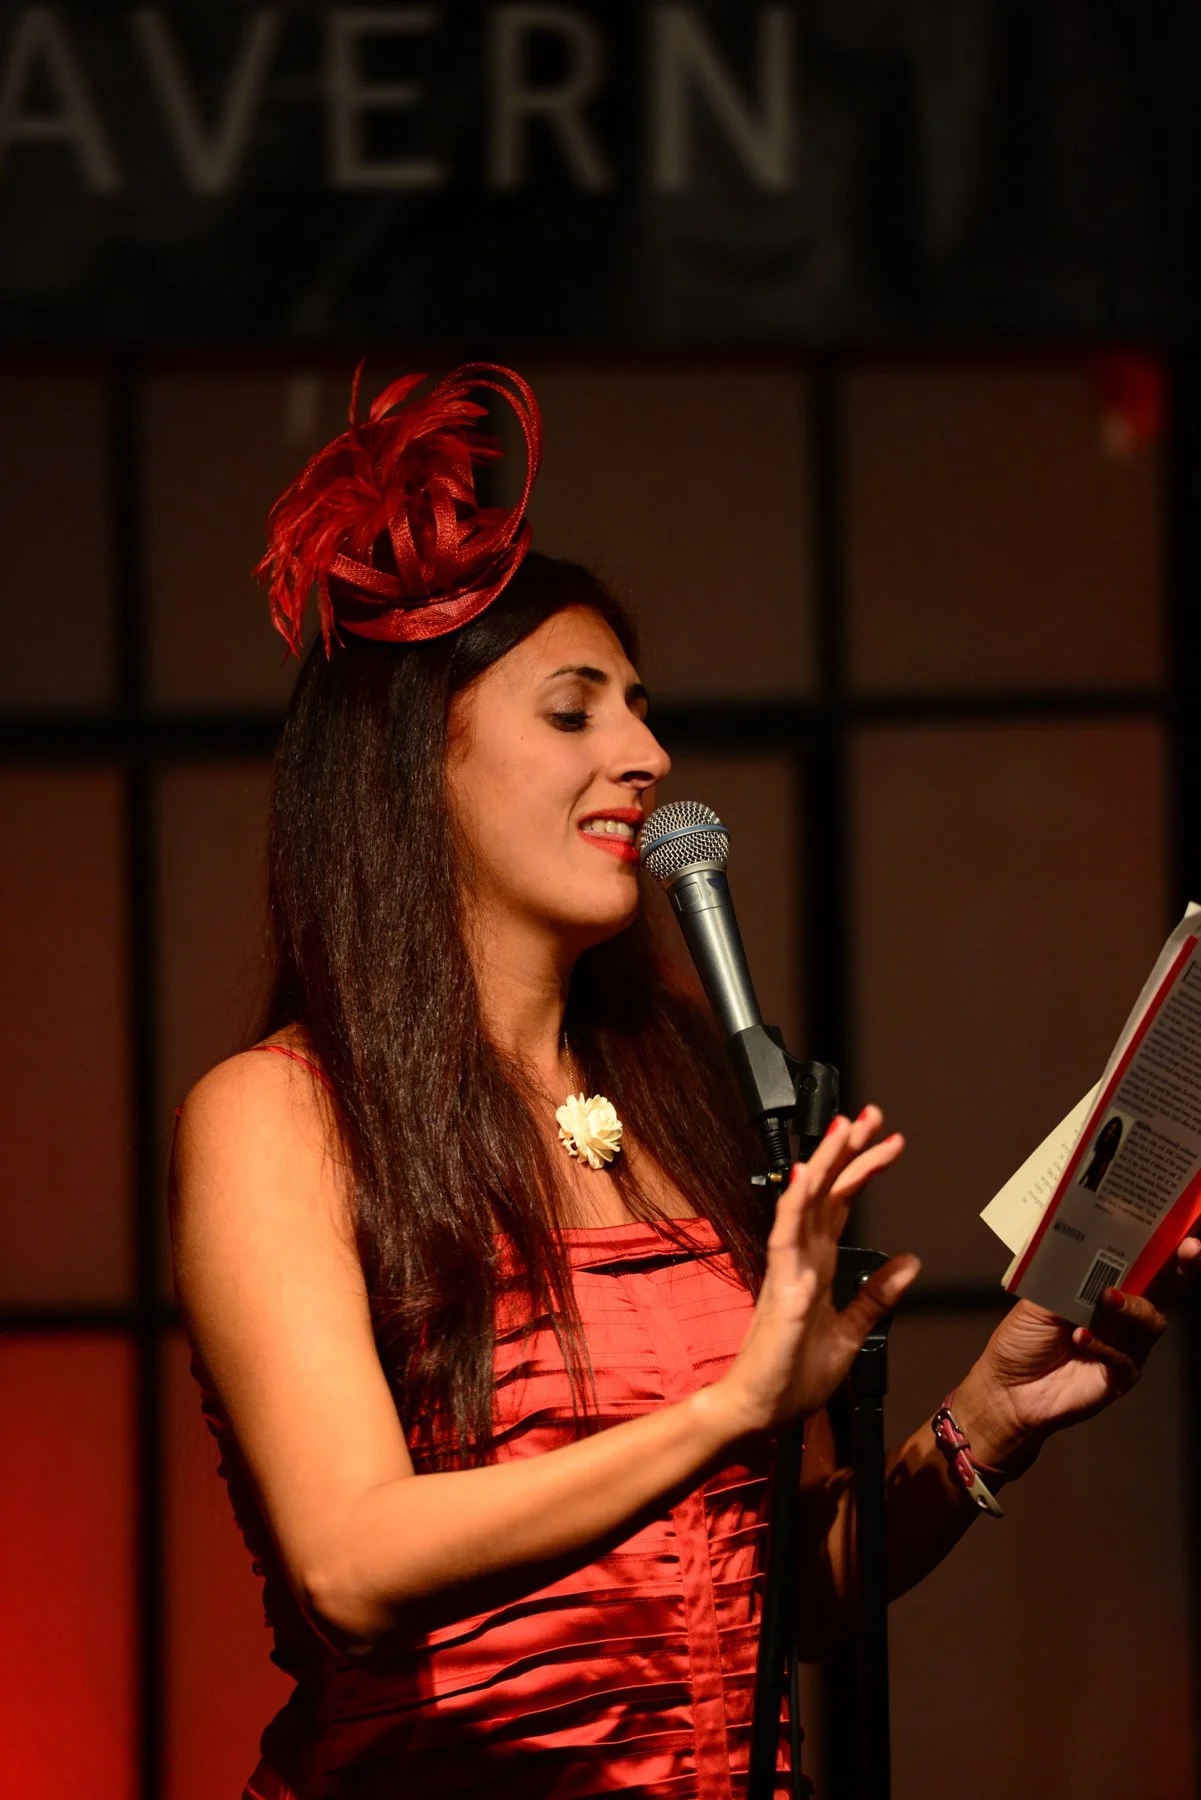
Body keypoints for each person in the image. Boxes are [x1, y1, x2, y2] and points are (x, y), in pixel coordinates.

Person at [169, 363, 1198, 1800]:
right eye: (574, 713)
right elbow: (348, 1563)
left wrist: (993, 1416)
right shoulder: (279, 1115)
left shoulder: (680, 1101)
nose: (647, 756)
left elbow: (782, 1605)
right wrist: (723, 1411)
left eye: (642, 712)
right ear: (418, 767)